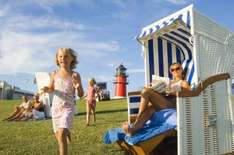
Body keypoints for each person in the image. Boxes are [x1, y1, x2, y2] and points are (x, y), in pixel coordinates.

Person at [122, 62, 190, 136]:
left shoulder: (183, 83)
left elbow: (187, 95)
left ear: (181, 69)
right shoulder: (168, 82)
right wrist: (152, 87)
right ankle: (132, 130)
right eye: (172, 70)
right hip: (162, 102)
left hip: (172, 104)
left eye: (177, 68)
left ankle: (138, 117)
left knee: (146, 92)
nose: (175, 71)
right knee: (149, 109)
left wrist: (172, 92)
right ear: (171, 72)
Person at [41, 48, 84, 155]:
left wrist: (77, 86)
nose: (62, 58)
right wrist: (47, 89)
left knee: (61, 135)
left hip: (68, 108)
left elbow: (81, 94)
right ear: (57, 58)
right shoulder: (54, 74)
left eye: (66, 56)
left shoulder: (75, 75)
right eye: (60, 56)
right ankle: (67, 131)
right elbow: (51, 88)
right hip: (55, 108)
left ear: (71, 59)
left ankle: (65, 132)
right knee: (59, 137)